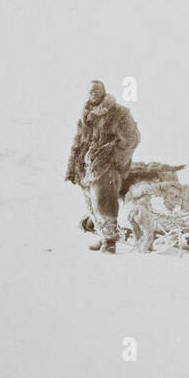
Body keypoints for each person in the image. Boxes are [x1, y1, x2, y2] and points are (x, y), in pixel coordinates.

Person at [65, 81, 141, 253]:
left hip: (107, 168)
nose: (93, 93)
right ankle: (102, 234)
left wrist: (113, 159)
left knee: (105, 202)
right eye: (90, 90)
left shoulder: (119, 113)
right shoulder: (86, 115)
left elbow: (132, 138)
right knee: (92, 203)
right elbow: (78, 141)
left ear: (104, 91)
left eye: (97, 90)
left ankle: (110, 241)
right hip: (85, 168)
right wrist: (72, 167)